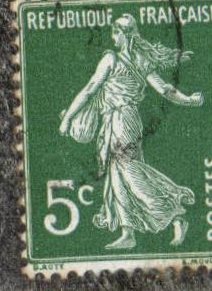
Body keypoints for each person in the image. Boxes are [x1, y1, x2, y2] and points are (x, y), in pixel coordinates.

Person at [58, 13, 204, 250]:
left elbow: (89, 90)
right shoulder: (141, 60)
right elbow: (165, 89)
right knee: (117, 176)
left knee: (130, 173)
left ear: (123, 34)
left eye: (115, 33)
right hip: (123, 121)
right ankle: (128, 233)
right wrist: (188, 100)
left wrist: (68, 119)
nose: (112, 37)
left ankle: (175, 212)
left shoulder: (111, 59)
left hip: (121, 121)